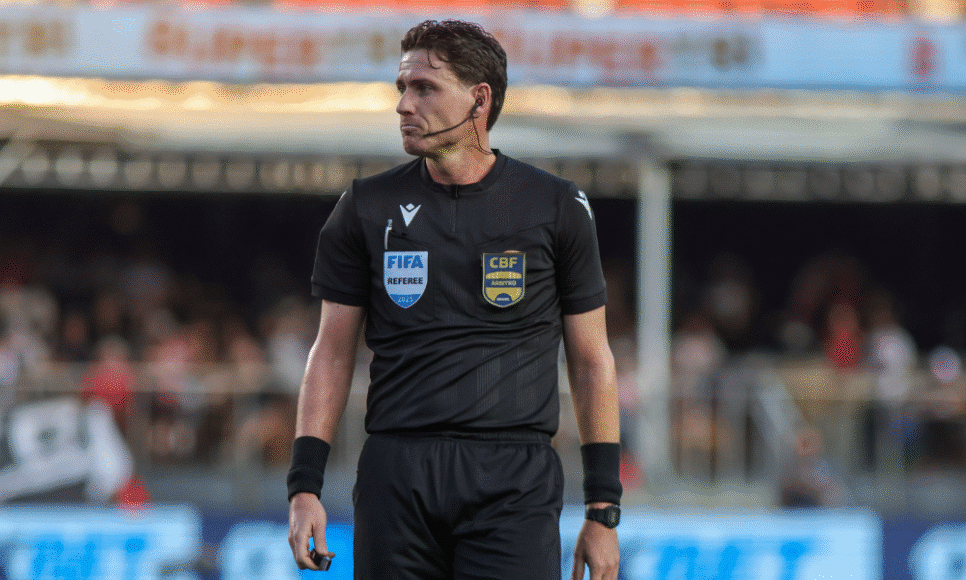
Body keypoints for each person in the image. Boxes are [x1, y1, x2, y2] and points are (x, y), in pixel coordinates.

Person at [287, 19, 621, 580]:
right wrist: (304, 486)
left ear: (479, 100)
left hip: (513, 479)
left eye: (425, 88)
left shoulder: (557, 206)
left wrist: (603, 509)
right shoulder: (366, 208)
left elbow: (592, 360)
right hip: (398, 475)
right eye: (401, 88)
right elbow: (331, 352)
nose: (403, 104)